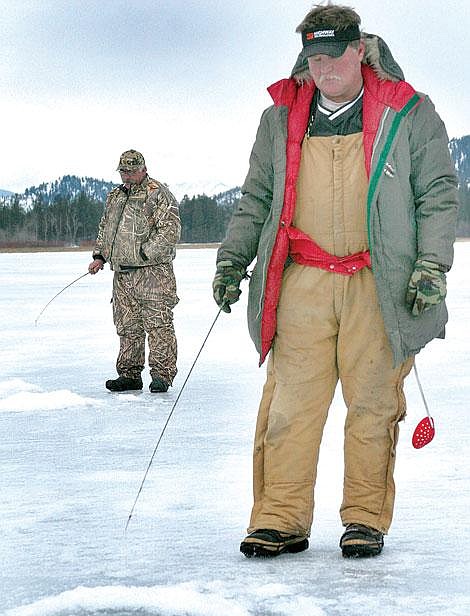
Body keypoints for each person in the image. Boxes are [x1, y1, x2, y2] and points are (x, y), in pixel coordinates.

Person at [212, 4, 458, 559]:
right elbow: (255, 199)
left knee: (373, 405)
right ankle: (279, 518)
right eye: (311, 58)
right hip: (303, 281)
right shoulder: (281, 119)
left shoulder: (410, 113)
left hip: (380, 281)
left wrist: (431, 265)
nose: (321, 69)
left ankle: (365, 519)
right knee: (290, 406)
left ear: (358, 50)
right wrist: (233, 259)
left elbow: (438, 194)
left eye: (330, 56)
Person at [89, 149, 181, 393]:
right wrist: (100, 255)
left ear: (143, 169)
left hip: (153, 275)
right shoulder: (115, 197)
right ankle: (129, 374)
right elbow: (105, 228)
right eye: (123, 172)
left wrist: (144, 253)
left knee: (158, 325)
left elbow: (170, 231)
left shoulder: (158, 194)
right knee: (127, 326)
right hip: (122, 275)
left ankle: (162, 375)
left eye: (130, 172)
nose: (126, 177)